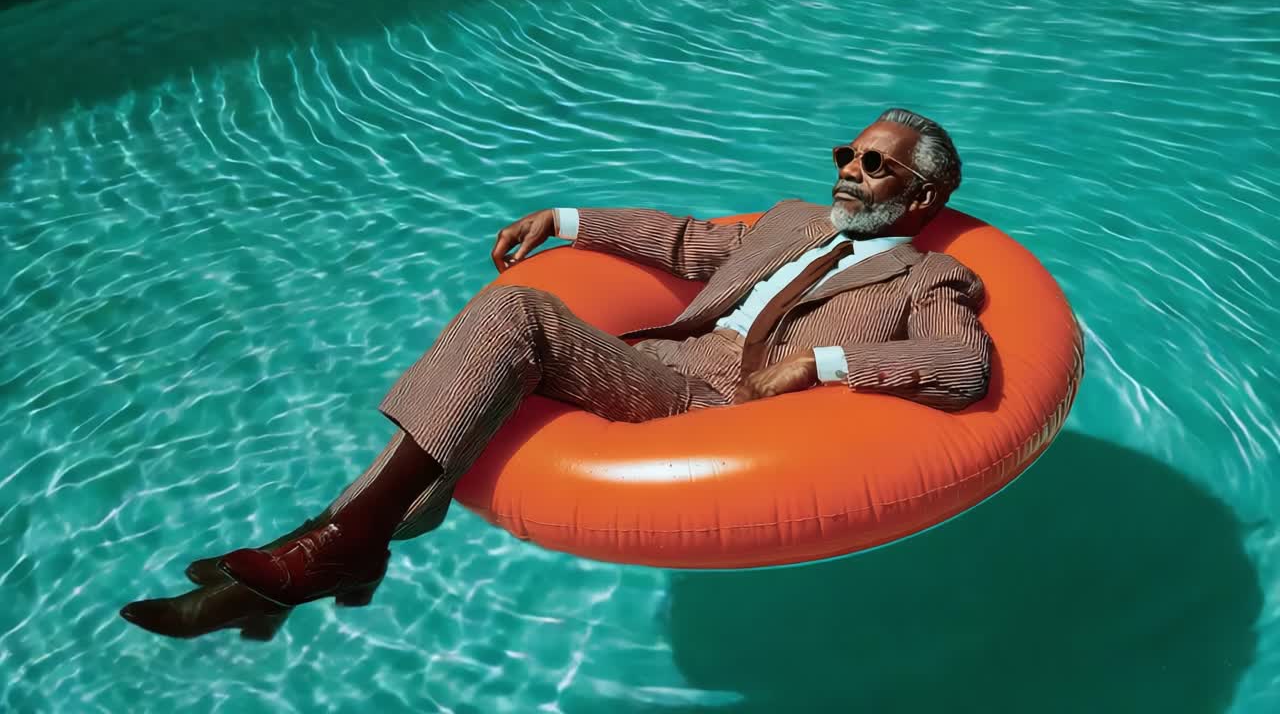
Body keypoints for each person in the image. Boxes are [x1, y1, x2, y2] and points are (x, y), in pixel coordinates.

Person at [119, 107, 991, 640]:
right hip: (651, 363)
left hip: (717, 402)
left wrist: (823, 360)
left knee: (518, 312)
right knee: (503, 343)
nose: (850, 170)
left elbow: (962, 364)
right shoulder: (795, 220)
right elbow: (687, 242)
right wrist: (566, 218)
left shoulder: (929, 277)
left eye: (877, 165)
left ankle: (327, 552)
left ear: (920, 199)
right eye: (848, 152)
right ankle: (310, 565)